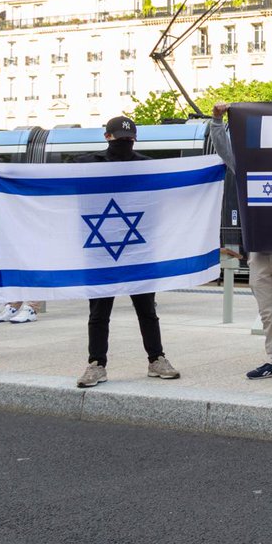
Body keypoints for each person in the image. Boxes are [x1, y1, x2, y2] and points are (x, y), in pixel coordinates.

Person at [74, 117, 179, 388]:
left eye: (128, 138)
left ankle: (156, 358)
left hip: (139, 250)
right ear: (106, 137)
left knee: (147, 310)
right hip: (100, 250)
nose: (124, 142)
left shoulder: (146, 166)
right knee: (98, 312)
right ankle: (96, 364)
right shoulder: (87, 164)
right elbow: (43, 178)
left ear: (135, 139)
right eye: (120, 137)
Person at [211, 103, 272, 383]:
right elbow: (223, 149)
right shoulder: (246, 166)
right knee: (268, 313)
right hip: (258, 252)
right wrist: (217, 120)